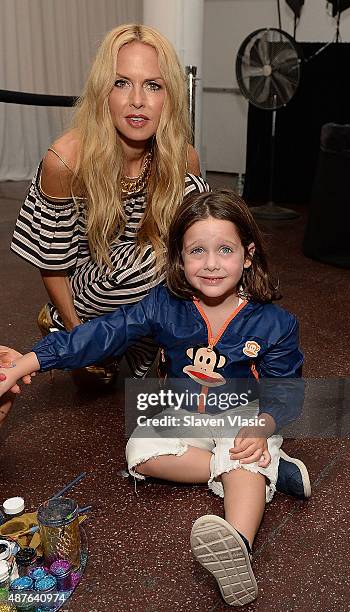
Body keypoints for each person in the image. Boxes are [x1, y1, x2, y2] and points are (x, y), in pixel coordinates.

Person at [0, 189, 310, 606]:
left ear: (248, 254)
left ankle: (238, 546)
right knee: (141, 452)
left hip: (244, 416)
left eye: (225, 250)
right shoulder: (164, 304)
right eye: (197, 251)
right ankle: (269, 470)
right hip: (183, 411)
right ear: (180, 259)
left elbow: (287, 391)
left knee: (245, 454)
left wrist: (264, 424)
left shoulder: (276, 322)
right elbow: (104, 332)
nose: (212, 263)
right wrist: (29, 362)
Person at [10, 23, 209, 385]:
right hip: (88, 286)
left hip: (149, 291)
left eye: (153, 85)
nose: (137, 100)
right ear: (103, 91)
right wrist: (78, 340)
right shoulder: (67, 161)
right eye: (121, 83)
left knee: (200, 248)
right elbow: (53, 265)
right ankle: (65, 323)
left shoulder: (182, 159)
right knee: (158, 257)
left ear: (170, 95)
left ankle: (144, 345)